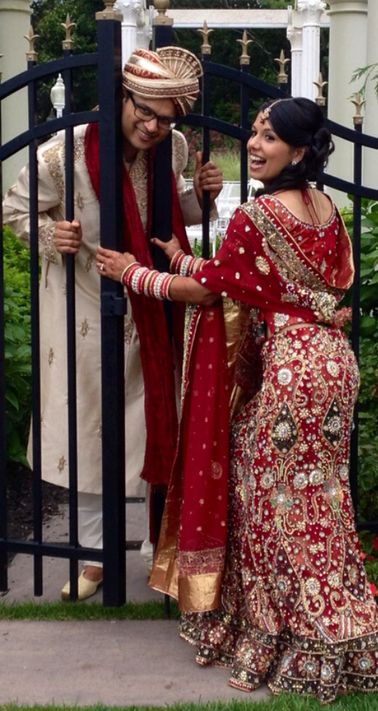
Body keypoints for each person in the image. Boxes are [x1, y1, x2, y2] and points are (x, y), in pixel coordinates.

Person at [96, 97, 378, 703]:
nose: (255, 145)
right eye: (254, 133)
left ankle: (291, 634)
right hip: (335, 367)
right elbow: (271, 284)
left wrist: (132, 272)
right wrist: (183, 254)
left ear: (301, 151)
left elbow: (205, 293)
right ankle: (350, 630)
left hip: (290, 373)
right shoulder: (328, 212)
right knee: (322, 502)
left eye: (269, 137)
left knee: (272, 508)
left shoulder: (257, 217)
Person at [2, 46, 223, 601]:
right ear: (122, 97)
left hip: (156, 309)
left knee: (157, 425)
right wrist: (53, 236)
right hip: (83, 311)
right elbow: (13, 211)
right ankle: (94, 555)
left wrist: (203, 196)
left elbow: (173, 214)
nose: (153, 127)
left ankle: (158, 545)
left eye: (166, 118)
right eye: (144, 112)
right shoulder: (64, 155)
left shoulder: (171, 148)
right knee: (90, 432)